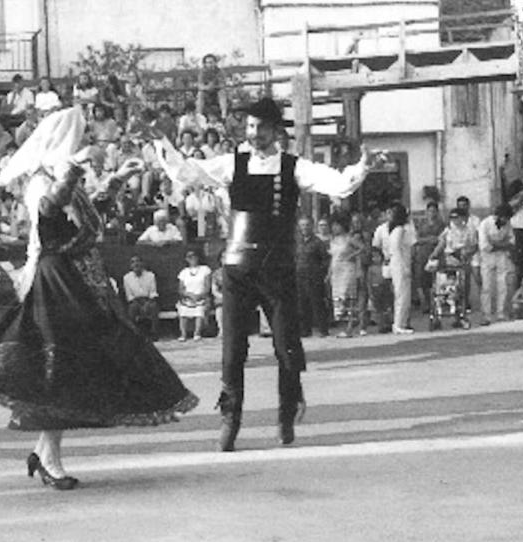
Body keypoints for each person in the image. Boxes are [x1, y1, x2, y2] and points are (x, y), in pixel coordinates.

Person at [0, 108, 197, 490]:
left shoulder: (61, 177)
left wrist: (117, 179)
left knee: (71, 367)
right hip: (57, 280)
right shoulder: (41, 181)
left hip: (76, 278)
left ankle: (44, 453)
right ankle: (48, 458)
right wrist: (73, 170)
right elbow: (50, 211)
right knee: (61, 366)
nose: (83, 144)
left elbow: (85, 214)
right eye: (78, 139)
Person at [158, 97, 383, 450]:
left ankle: (286, 414)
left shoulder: (294, 167)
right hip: (237, 269)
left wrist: (361, 168)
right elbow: (188, 173)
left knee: (286, 347)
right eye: (250, 127)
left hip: (278, 270)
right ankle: (229, 420)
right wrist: (162, 144)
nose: (255, 134)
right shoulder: (232, 164)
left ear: (275, 131)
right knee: (232, 350)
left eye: (261, 128)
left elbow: (337, 184)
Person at [478, 203, 516, 326]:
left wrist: (496, 244)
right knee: (487, 287)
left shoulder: (507, 224)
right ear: (499, 216)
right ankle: (487, 315)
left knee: (502, 284)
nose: (506, 220)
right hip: (487, 258)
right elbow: (485, 246)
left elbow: (512, 242)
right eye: (505, 218)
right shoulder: (485, 224)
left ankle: (501, 313)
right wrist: (501, 244)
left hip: (501, 257)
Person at [329, 217, 365, 338]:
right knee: (338, 298)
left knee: (348, 296)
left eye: (337, 225)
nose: (334, 228)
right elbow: (332, 257)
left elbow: (362, 247)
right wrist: (329, 273)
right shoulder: (333, 240)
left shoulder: (349, 238)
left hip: (347, 269)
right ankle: (343, 324)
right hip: (336, 270)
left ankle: (350, 326)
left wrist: (352, 255)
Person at [295, 216, 330, 338]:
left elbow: (325, 260)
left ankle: (323, 329)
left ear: (312, 226)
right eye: (302, 225)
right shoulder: (297, 242)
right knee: (302, 304)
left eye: (307, 225)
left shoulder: (317, 242)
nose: (304, 227)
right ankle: (305, 330)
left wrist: (320, 273)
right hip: (299, 276)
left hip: (314, 277)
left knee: (317, 303)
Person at [388, 203, 416, 335]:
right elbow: (396, 249)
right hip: (399, 264)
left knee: (405, 295)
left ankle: (402, 322)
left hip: (401, 263)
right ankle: (398, 323)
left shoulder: (399, 229)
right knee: (401, 295)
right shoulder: (399, 230)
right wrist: (404, 267)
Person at [176, 250, 212, 342]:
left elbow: (207, 286)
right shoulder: (184, 272)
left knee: (199, 310)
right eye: (189, 257)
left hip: (202, 296)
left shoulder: (205, 269)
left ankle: (197, 333)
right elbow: (181, 289)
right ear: (186, 259)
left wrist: (199, 295)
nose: (192, 259)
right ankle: (183, 334)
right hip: (188, 297)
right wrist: (189, 294)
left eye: (194, 256)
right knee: (183, 310)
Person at [122, 255, 159, 339]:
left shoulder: (150, 275)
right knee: (132, 309)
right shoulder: (127, 278)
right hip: (135, 301)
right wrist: (138, 304)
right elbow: (129, 295)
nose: (136, 264)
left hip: (148, 300)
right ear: (130, 266)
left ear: (142, 263)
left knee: (154, 307)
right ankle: (134, 334)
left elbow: (153, 292)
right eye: (133, 262)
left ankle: (154, 333)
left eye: (138, 261)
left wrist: (147, 303)